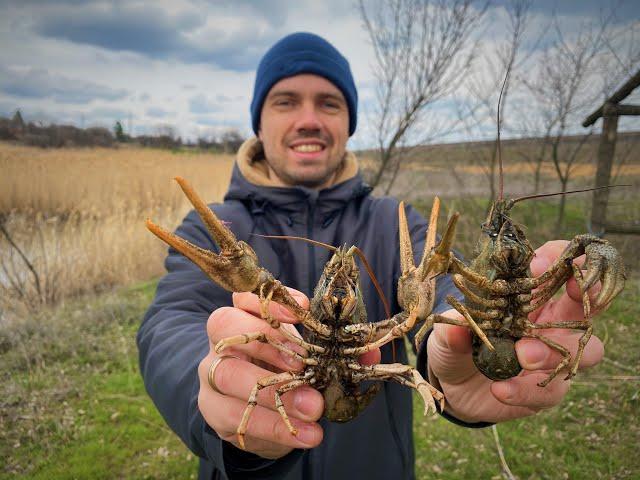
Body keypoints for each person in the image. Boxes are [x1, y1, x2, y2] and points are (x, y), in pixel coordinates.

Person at [138, 32, 604, 480]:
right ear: (258, 120)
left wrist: (451, 354)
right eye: (285, 101)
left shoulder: (393, 221)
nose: (309, 119)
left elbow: (443, 288)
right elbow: (171, 323)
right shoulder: (217, 227)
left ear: (349, 122)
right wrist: (212, 379)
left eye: (329, 103)